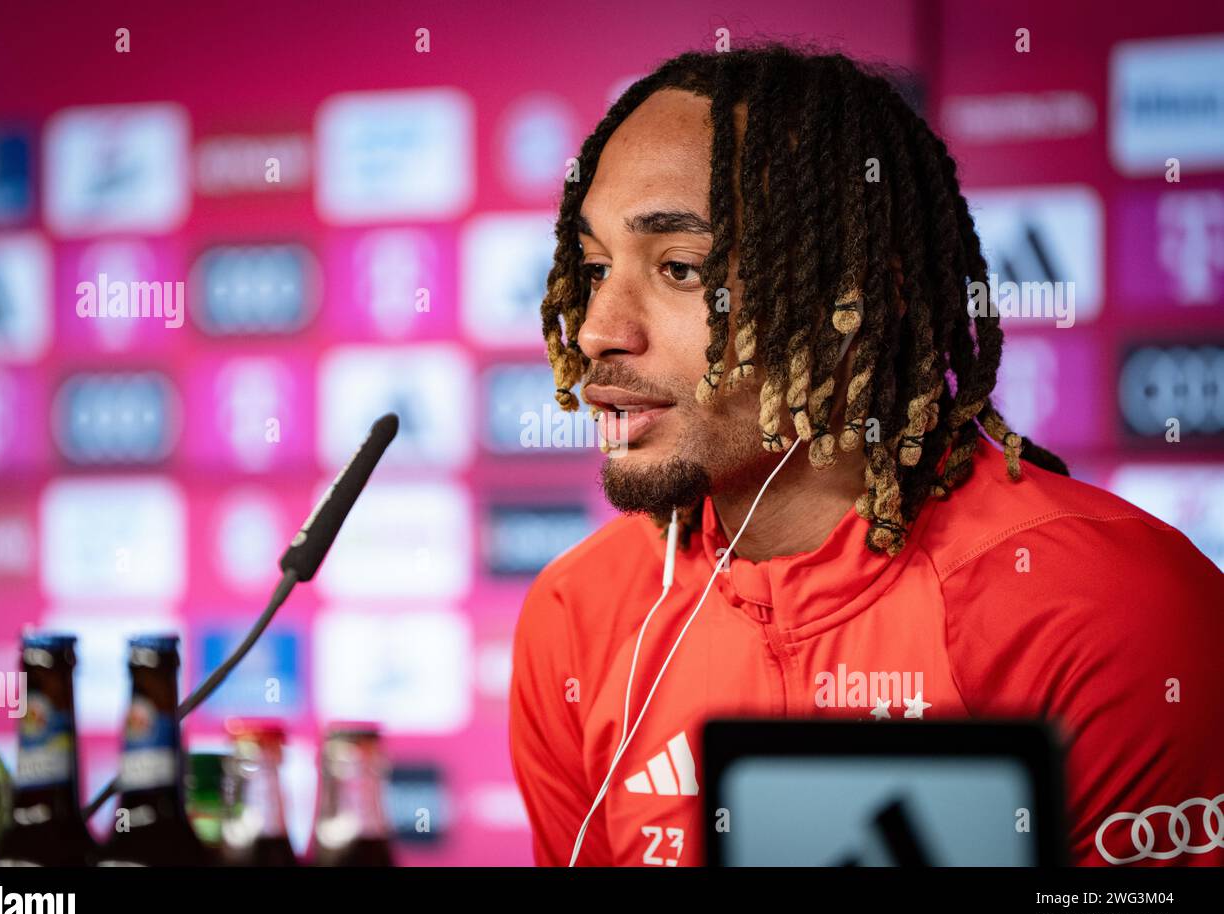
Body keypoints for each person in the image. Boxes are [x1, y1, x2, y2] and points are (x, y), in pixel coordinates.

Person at [509, 43, 1224, 867]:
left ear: (856, 298)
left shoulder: (1100, 610)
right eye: (594, 267)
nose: (598, 329)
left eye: (680, 269)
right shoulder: (577, 615)